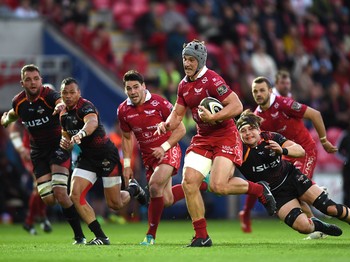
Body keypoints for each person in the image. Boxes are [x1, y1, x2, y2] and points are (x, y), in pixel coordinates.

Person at [155, 39, 275, 247]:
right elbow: (177, 114)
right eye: (185, 59)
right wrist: (166, 125)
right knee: (188, 182)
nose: (187, 63)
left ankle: (259, 190)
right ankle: (202, 235)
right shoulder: (183, 85)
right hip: (203, 137)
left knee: (219, 186)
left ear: (200, 61)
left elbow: (236, 105)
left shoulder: (212, 79)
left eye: (191, 60)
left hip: (225, 135)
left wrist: (212, 118)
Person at [236, 109, 350, 244]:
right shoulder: (238, 151)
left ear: (258, 129)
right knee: (304, 227)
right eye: (243, 131)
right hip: (276, 194)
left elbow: (300, 151)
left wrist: (283, 150)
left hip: (292, 178)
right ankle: (321, 226)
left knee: (330, 209)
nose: (247, 133)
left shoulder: (270, 137)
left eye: (251, 128)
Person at [239, 75, 337, 239]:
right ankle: (316, 226)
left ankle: (318, 194)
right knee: (292, 192)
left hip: (303, 150)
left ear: (270, 91)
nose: (258, 94)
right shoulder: (257, 118)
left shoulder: (284, 104)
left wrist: (324, 140)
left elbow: (315, 114)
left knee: (299, 189)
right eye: (255, 91)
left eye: (262, 90)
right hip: (283, 154)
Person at [118, 70, 210, 245]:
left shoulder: (159, 103)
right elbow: (127, 137)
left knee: (153, 186)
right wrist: (127, 164)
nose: (133, 92)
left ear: (144, 87)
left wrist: (164, 146)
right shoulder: (123, 110)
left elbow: (181, 129)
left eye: (136, 87)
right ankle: (203, 183)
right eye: (129, 88)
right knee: (165, 199)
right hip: (148, 157)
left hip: (168, 149)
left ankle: (150, 235)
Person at [0, 64, 85, 244]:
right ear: (22, 82)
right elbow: (15, 115)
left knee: (61, 193)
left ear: (41, 79)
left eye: (36, 78)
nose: (33, 83)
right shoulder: (19, 101)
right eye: (28, 79)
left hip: (58, 147)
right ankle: (43, 217)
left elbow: (58, 101)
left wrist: (61, 105)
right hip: (38, 153)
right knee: (48, 199)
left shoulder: (49, 95)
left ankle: (79, 236)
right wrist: (6, 119)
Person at [58, 77, 147, 245]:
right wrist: (65, 143)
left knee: (115, 204)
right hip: (88, 159)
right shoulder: (63, 114)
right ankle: (101, 236)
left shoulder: (86, 106)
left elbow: (91, 123)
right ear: (61, 94)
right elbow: (66, 137)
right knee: (75, 195)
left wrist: (81, 134)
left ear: (79, 93)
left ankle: (133, 189)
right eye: (64, 93)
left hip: (106, 155)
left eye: (72, 92)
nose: (68, 96)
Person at [8, 121, 52, 235]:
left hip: (47, 153)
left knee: (45, 187)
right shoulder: (24, 105)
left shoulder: (51, 106)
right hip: (30, 153)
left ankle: (37, 218)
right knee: (39, 185)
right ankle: (32, 219)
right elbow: (13, 128)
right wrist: (21, 148)